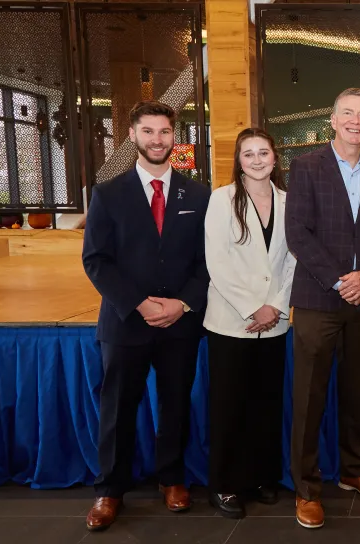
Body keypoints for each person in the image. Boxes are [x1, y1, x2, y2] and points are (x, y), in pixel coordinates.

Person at [81, 101, 210, 531]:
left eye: (165, 132)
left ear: (175, 137)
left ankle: (171, 479)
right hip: (125, 321)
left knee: (175, 402)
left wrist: (183, 304)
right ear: (133, 136)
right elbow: (97, 260)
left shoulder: (198, 194)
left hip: (180, 321)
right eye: (149, 132)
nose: (158, 140)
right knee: (118, 407)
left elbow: (208, 262)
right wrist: (139, 303)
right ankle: (110, 489)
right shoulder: (108, 193)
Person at [285, 88, 360, 529]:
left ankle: (355, 471)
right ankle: (307, 489)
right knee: (309, 396)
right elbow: (298, 233)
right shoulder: (306, 167)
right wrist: (339, 280)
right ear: (332, 120)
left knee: (357, 392)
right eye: (347, 113)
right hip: (318, 300)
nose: (356, 121)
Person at [203, 128, 297, 519]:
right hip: (232, 322)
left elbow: (295, 259)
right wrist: (252, 307)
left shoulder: (290, 202)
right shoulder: (221, 200)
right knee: (229, 405)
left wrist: (275, 306)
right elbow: (217, 262)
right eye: (248, 154)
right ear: (238, 161)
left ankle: (262, 478)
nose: (257, 160)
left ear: (276, 158)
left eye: (264, 153)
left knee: (266, 404)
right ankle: (225, 484)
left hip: (274, 322)